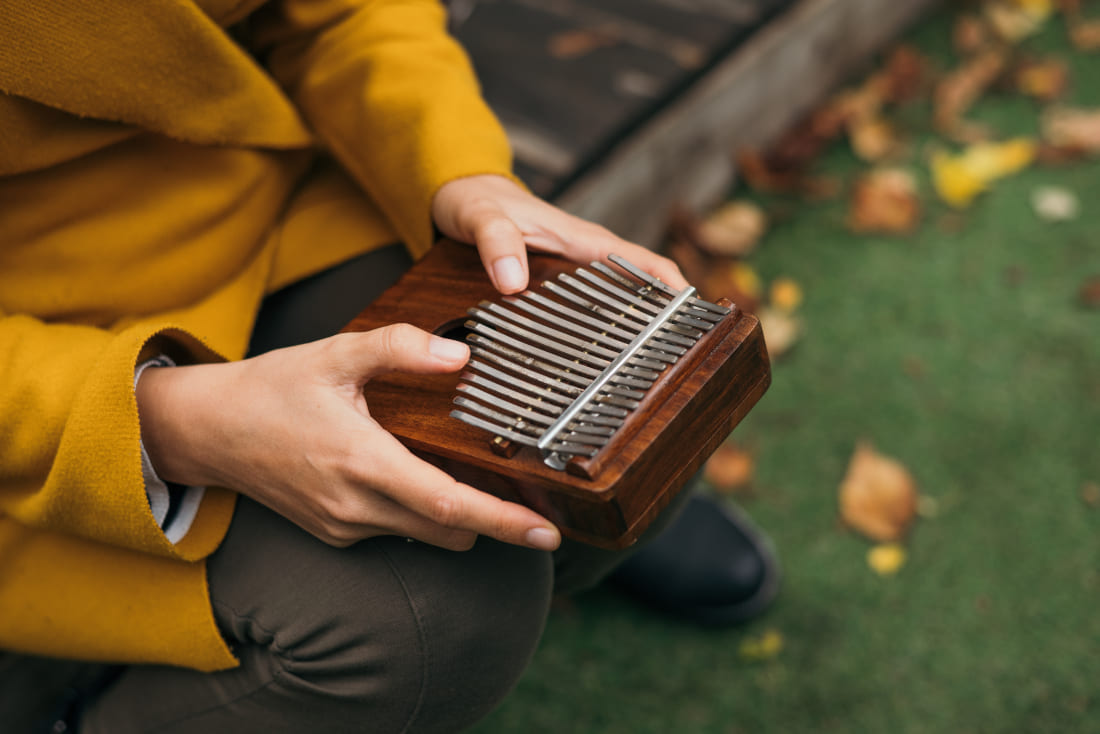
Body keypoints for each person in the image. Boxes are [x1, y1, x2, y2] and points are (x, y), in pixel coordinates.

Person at [0, 1, 778, 731]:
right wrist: (168, 422)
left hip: (266, 203)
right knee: (431, 623)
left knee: (645, 407)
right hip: (43, 372)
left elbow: (343, 13)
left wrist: (459, 169)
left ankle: (574, 537)